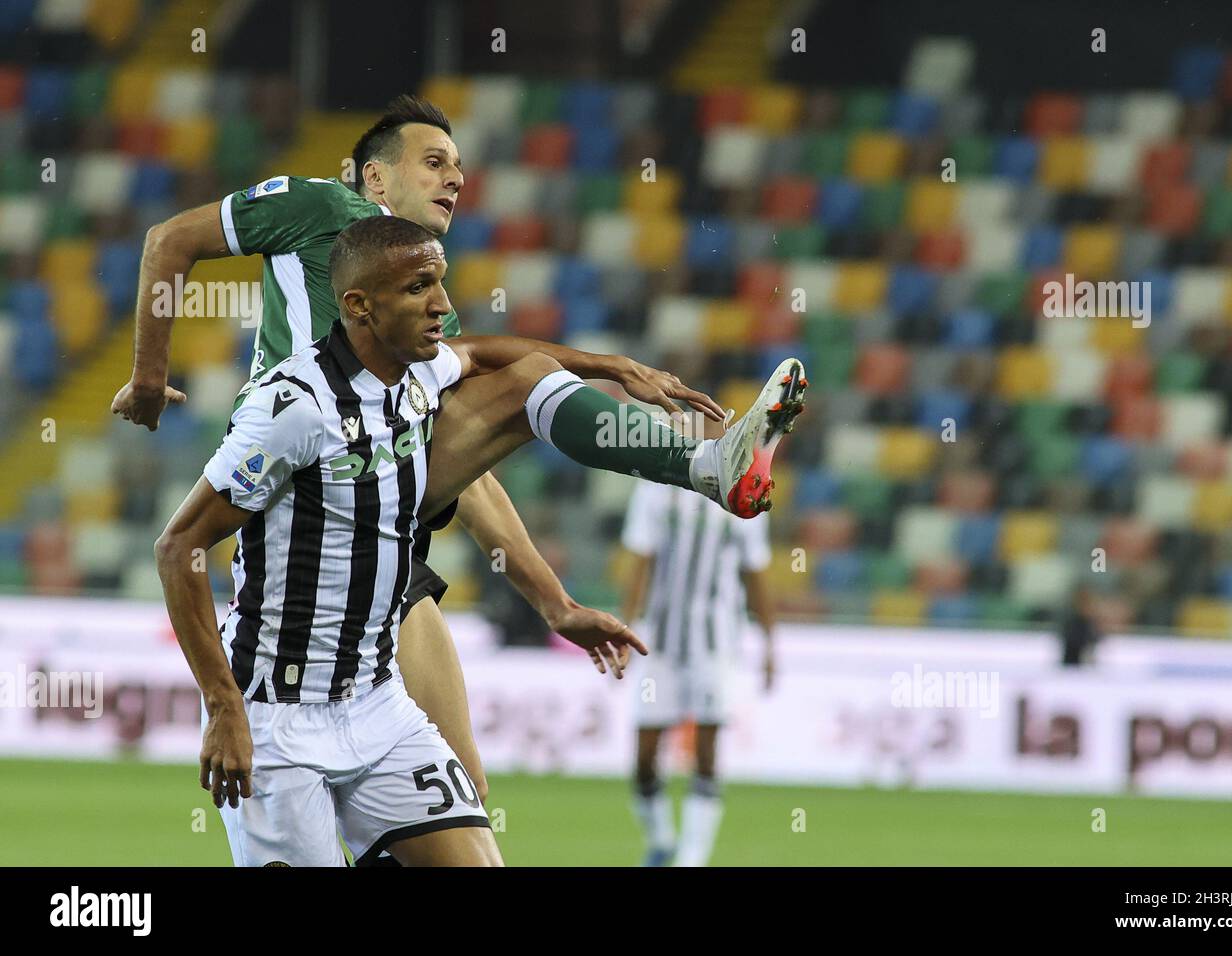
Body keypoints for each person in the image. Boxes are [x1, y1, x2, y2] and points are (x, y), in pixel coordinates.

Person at [155, 215, 805, 865]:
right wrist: (223, 704)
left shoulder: (417, 376)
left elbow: (496, 355)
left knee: (530, 380)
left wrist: (609, 366)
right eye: (418, 288)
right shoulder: (293, 406)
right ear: (359, 306)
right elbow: (177, 546)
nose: (442, 304)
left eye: (440, 281)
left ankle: (709, 467)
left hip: (377, 706)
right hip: (278, 717)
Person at [113, 96, 633, 806]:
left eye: (459, 167)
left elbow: (458, 476)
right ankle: (698, 465)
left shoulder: (408, 313)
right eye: (434, 161)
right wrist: (149, 376)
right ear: (373, 180)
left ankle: (703, 466)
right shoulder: (313, 208)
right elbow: (170, 239)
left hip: (379, 555)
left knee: (460, 790)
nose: (455, 178)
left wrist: (556, 605)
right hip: (299, 532)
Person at [619, 413, 778, 867]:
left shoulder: (746, 492)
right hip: (661, 642)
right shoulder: (656, 489)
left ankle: (691, 858)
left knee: (707, 752)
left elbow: (757, 575)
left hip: (716, 641)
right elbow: (640, 563)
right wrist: (625, 630)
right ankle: (661, 840)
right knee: (645, 758)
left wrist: (770, 643)